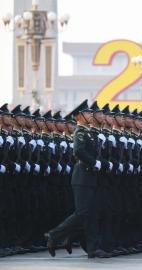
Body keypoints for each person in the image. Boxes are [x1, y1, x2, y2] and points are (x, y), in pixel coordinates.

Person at [44, 100, 112, 258]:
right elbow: (79, 151)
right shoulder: (79, 132)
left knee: (92, 213)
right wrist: (94, 162)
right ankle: (54, 235)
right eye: (87, 113)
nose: (90, 115)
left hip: (90, 177)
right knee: (82, 212)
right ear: (79, 116)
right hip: (82, 177)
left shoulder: (89, 132)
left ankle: (92, 248)